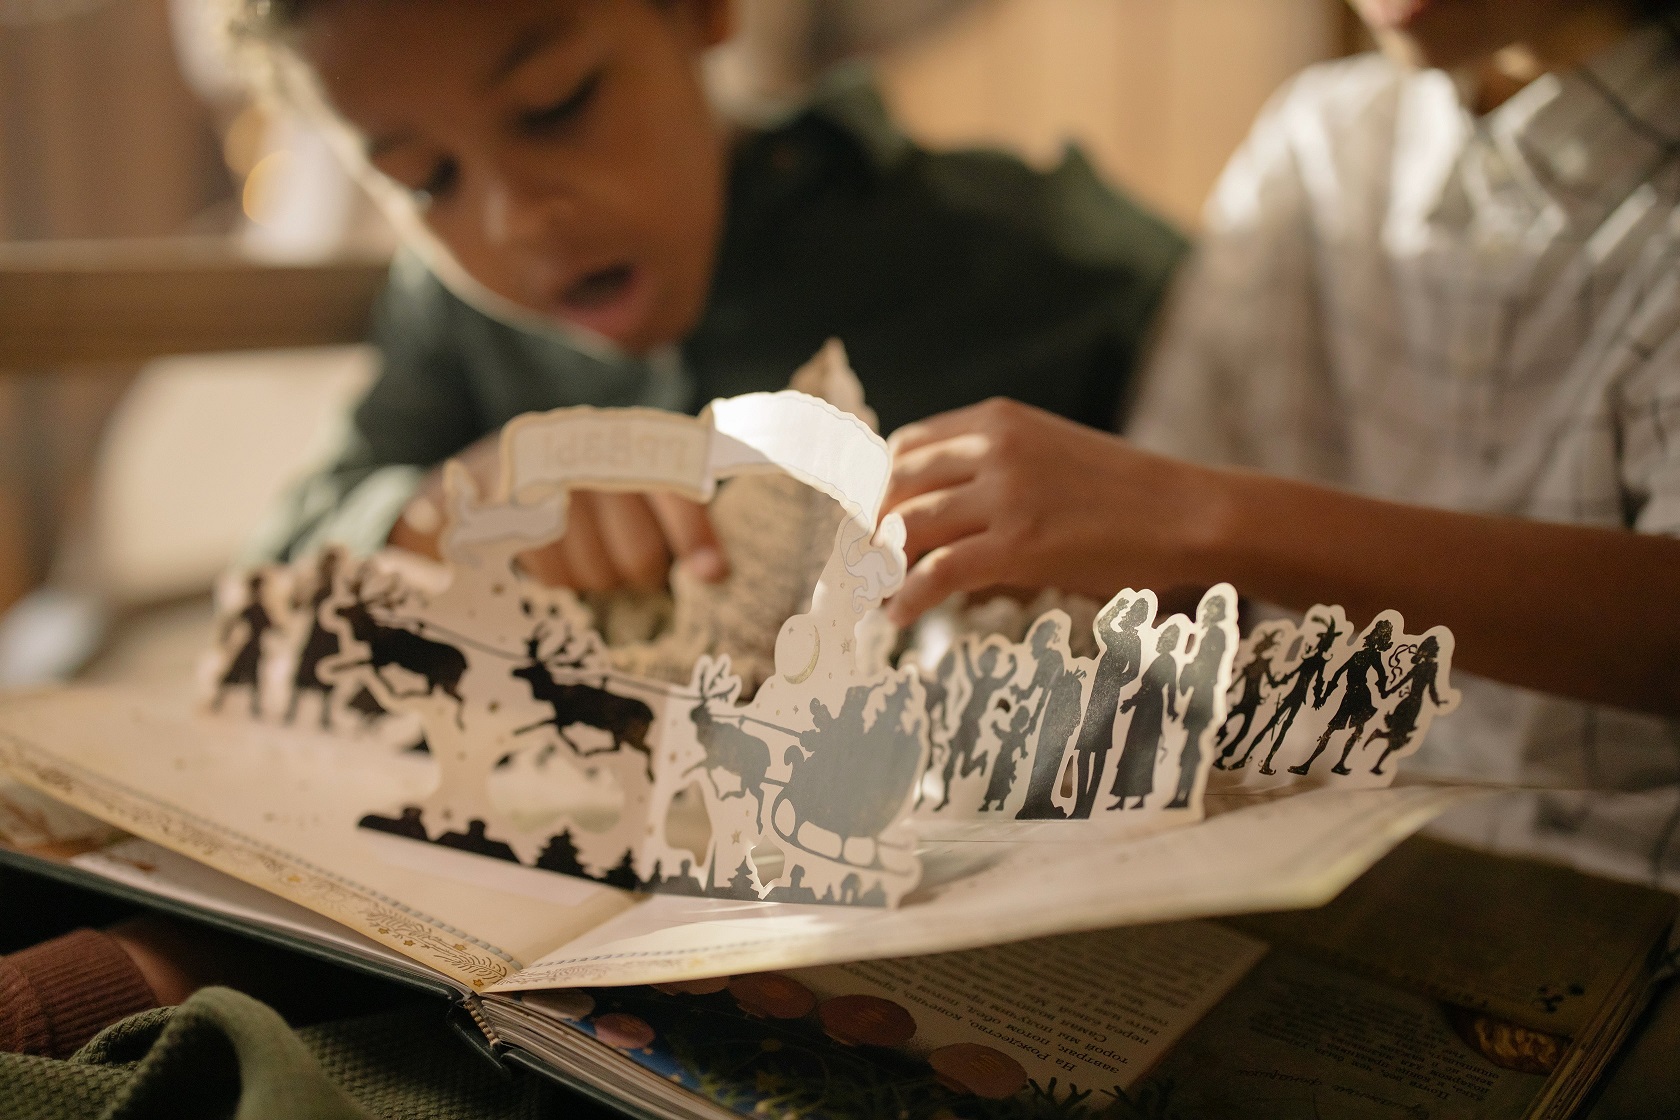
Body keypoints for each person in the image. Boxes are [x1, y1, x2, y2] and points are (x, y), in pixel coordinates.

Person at [885, 0, 1680, 885]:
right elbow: (1161, 582)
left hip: (1614, 909)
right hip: (1279, 866)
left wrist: (1194, 512)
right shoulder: (1325, 136)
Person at [244, 0, 1187, 595]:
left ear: (700, 11)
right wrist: (455, 507)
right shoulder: (450, 313)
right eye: (422, 178)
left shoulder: (1013, 247)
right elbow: (283, 553)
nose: (516, 221)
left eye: (557, 103)